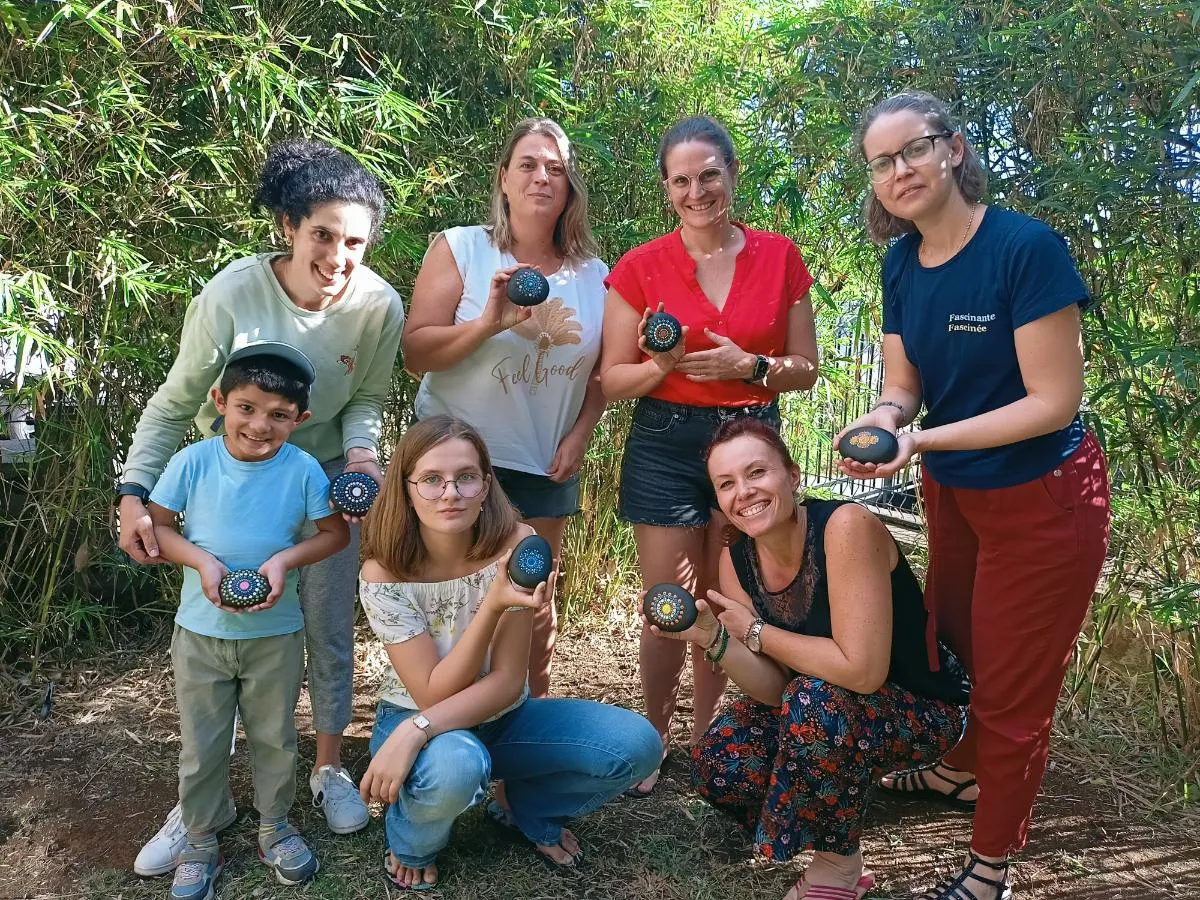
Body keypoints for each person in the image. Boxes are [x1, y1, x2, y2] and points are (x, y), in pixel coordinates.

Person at [837, 91, 1111, 900]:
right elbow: (902, 385)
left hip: (1044, 497)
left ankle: (993, 864)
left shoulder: (1025, 248)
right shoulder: (900, 264)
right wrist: (885, 421)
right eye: (881, 163)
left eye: (913, 150)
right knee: (956, 647)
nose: (899, 171)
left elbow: (1052, 402)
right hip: (954, 493)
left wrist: (922, 440)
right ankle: (960, 770)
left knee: (1013, 686)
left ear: (952, 149)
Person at [118, 139, 405, 874]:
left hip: (324, 472)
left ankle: (328, 768)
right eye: (323, 235)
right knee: (222, 626)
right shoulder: (232, 295)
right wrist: (134, 494)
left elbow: (367, 398)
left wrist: (364, 457)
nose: (338, 256)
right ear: (288, 226)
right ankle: (200, 805)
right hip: (234, 469)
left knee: (327, 623)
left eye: (355, 242)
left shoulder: (378, 304)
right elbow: (175, 403)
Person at [648, 417, 968, 900]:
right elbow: (775, 689)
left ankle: (839, 867)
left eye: (757, 472)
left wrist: (757, 632)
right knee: (719, 760)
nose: (744, 492)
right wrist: (716, 640)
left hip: (923, 707)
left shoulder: (845, 527)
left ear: (793, 475)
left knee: (814, 700)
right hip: (820, 707)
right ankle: (830, 794)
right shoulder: (737, 560)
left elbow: (862, 672)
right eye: (726, 484)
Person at [599, 115, 820, 795]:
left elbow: (806, 368)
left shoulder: (780, 256)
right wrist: (661, 364)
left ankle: (707, 739)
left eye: (708, 175)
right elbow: (612, 381)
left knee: (726, 599)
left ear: (732, 173)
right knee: (667, 601)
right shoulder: (639, 266)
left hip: (749, 444)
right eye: (681, 180)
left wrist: (750, 365)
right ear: (667, 189)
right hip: (666, 441)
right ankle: (652, 737)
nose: (696, 192)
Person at [357, 415, 662, 890]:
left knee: (636, 744)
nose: (450, 493)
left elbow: (505, 682)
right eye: (431, 480)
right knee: (456, 766)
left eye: (465, 477)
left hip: (499, 716)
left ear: (486, 485)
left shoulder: (519, 546)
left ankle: (526, 808)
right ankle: (413, 844)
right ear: (406, 489)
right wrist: (414, 730)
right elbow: (433, 693)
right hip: (417, 715)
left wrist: (416, 732)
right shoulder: (384, 572)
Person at [401, 117, 608, 699]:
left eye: (556, 168)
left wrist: (582, 433)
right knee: (448, 598)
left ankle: (526, 720)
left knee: (534, 599)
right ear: (504, 178)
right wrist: (488, 323)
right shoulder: (462, 248)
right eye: (529, 164)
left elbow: (603, 371)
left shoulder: (595, 275)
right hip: (453, 465)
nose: (542, 177)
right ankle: (441, 722)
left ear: (569, 186)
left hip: (543, 462)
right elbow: (416, 353)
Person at [146, 344, 351, 900]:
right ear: (220, 401)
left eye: (279, 414)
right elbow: (159, 527)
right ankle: (201, 837)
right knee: (201, 744)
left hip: (275, 636)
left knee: (275, 737)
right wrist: (203, 564)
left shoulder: (303, 469)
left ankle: (274, 825)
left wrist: (283, 562)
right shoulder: (193, 461)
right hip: (200, 634)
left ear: (300, 418)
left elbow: (335, 534)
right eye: (246, 408)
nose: (260, 425)